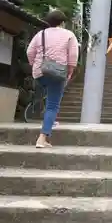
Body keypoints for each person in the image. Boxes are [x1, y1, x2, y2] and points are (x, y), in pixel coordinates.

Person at [27, 9, 79, 148]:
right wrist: (69, 73)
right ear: (62, 22)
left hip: (40, 73)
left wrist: (35, 65)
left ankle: (48, 126)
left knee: (49, 99)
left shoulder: (40, 34)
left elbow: (29, 52)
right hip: (58, 73)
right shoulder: (69, 35)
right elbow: (73, 58)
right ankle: (42, 138)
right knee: (52, 105)